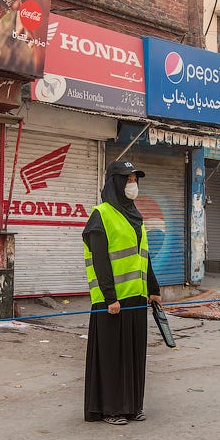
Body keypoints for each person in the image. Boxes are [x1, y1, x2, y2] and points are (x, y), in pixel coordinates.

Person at [83, 160, 162, 425]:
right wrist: (109, 298)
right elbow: (100, 261)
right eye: (128, 179)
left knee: (133, 354)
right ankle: (111, 409)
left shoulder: (135, 216)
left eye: (135, 180)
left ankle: (131, 405)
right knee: (112, 356)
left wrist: (154, 289)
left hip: (136, 298)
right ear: (115, 182)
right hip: (112, 301)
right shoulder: (101, 215)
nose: (133, 185)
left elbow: (144, 256)